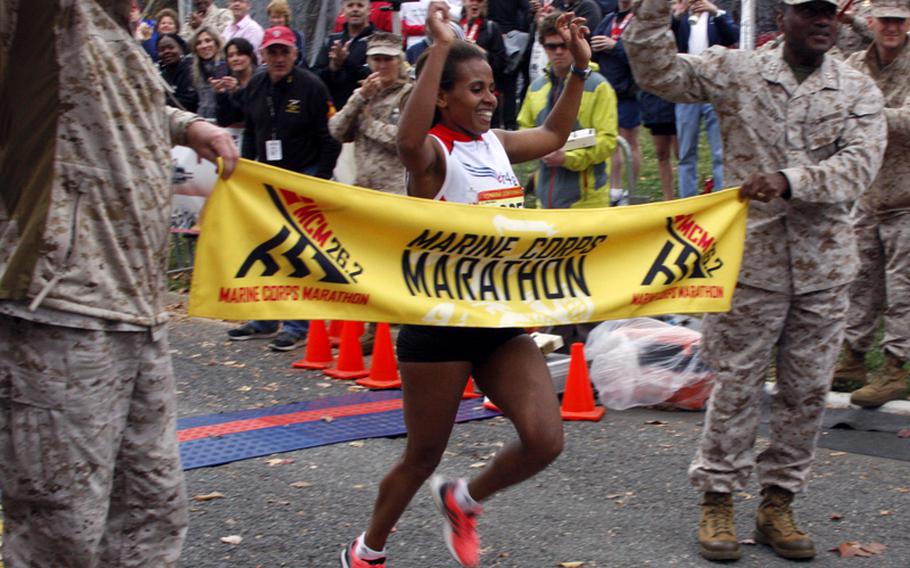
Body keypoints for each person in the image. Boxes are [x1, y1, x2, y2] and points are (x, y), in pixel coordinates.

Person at [624, 0, 886, 561]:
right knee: (737, 384)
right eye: (808, 11)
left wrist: (790, 181)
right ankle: (717, 497)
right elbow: (658, 72)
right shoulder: (738, 71)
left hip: (824, 272)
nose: (822, 21)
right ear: (783, 18)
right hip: (751, 267)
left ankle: (778, 503)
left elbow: (860, 165)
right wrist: (651, 10)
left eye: (828, 13)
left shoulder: (857, 88)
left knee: (806, 393)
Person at [339, 5, 590, 567]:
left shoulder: (495, 144)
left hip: (497, 324)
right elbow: (407, 139)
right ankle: (366, 550)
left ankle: (465, 498)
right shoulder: (433, 155)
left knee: (546, 439)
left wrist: (578, 70)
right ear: (443, 98)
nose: (487, 98)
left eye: (492, 89)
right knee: (422, 455)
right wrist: (434, 49)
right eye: (475, 89)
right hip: (439, 328)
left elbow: (554, 131)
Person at [0, 2, 238, 566]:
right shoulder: (50, 18)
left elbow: (131, 100)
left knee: (151, 516)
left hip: (139, 313)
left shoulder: (119, 33)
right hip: (60, 310)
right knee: (61, 531)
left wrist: (188, 123)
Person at [227, 26, 341, 351]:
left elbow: (329, 137)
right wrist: (244, 172)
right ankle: (265, 318)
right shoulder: (256, 86)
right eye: (272, 52)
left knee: (298, 253)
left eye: (284, 52)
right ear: (262, 55)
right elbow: (251, 131)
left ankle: (296, 324)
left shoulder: (312, 87)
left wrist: (319, 179)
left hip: (302, 175)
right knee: (268, 250)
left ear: (295, 54)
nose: (278, 58)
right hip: (267, 176)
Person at [835, 0, 910, 405]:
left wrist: (864, 113)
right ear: (871, 22)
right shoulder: (854, 63)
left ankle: (896, 369)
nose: (892, 28)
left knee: (903, 290)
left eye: (899, 21)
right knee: (859, 281)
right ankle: (853, 359)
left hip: (907, 198)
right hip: (868, 194)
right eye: (885, 21)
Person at [518, 10, 617, 208]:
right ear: (544, 47)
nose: (558, 51)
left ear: (575, 45)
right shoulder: (536, 88)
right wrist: (540, 147)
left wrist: (566, 154)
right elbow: (524, 130)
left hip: (588, 204)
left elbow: (607, 139)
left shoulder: (598, 86)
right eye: (551, 46)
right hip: (545, 201)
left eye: (564, 45)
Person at [328, 32, 413, 194]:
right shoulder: (364, 93)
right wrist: (360, 97)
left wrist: (369, 125)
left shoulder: (409, 95)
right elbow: (336, 130)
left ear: (400, 61)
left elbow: (406, 140)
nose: (382, 65)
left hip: (396, 191)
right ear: (369, 62)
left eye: (388, 59)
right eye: (377, 59)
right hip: (363, 189)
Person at [671, 0, 738, 198]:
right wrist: (677, 15)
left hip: (714, 89)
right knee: (685, 153)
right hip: (687, 89)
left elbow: (734, 36)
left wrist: (716, 12)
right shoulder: (681, 18)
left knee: (719, 152)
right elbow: (664, 40)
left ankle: (718, 198)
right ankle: (687, 200)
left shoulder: (718, 16)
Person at [591, 0, 640, 197]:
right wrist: (595, 45)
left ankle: (631, 189)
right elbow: (594, 42)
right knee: (611, 141)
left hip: (628, 91)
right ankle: (614, 190)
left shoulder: (637, 20)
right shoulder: (609, 19)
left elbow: (641, 54)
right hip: (608, 91)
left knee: (629, 140)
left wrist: (615, 46)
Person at [314, 0, 377, 109]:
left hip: (367, 110)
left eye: (360, 5)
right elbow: (315, 75)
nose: (355, 9)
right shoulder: (332, 40)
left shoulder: (378, 40)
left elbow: (375, 75)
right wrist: (333, 68)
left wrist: (346, 62)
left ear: (369, 10)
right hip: (335, 112)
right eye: (350, 5)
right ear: (343, 10)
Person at [460, 0, 509, 126]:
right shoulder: (457, 28)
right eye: (471, 0)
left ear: (484, 4)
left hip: (486, 93)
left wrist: (479, 51)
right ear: (464, 3)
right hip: (460, 94)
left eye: (479, 1)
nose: (475, 4)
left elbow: (501, 63)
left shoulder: (491, 28)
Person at [214, 37, 259, 127]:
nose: (235, 59)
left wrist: (238, 92)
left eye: (240, 54)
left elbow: (256, 114)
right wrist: (221, 94)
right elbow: (224, 121)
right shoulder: (228, 81)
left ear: (250, 56)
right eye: (230, 56)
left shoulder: (260, 79)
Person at [190, 26, 227, 120]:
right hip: (203, 121)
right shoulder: (195, 69)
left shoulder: (227, 65)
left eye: (208, 40)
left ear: (216, 43)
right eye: (199, 43)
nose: (204, 46)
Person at [158, 32, 200, 112]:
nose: (166, 51)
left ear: (180, 48)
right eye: (162, 49)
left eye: (171, 47)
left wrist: (162, 103)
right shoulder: (162, 75)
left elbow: (189, 101)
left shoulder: (190, 68)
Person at [267, 0, 307, 67]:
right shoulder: (267, 36)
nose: (276, 21)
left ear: (286, 18)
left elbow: (301, 60)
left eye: (279, 17)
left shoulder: (297, 36)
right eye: (273, 17)